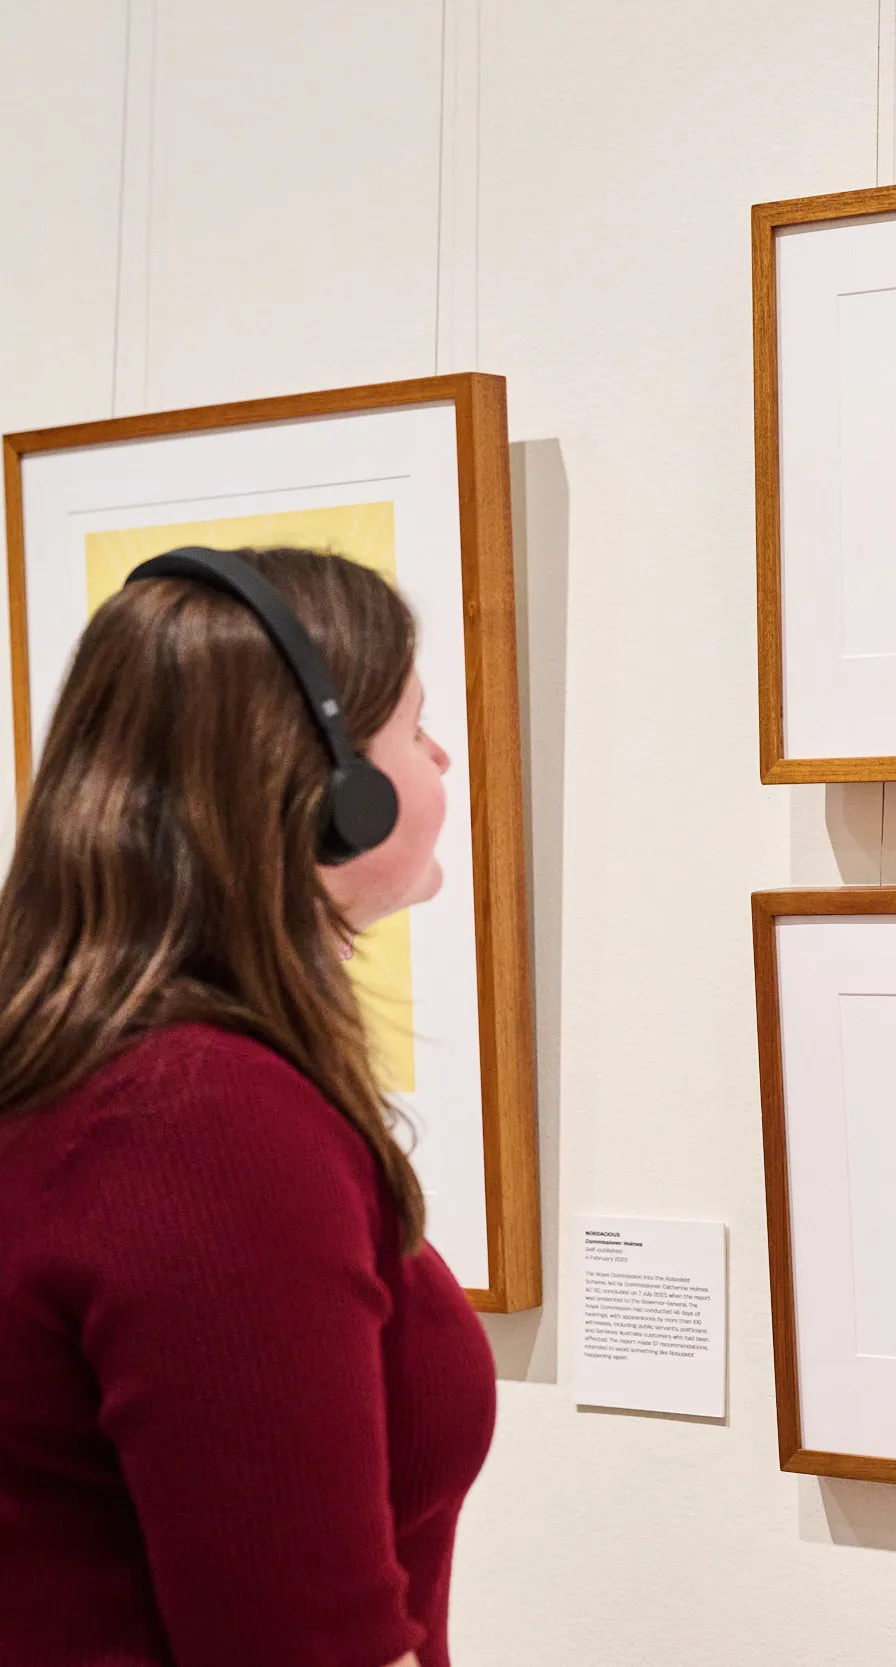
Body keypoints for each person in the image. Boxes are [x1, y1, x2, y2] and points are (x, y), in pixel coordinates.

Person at [0, 547, 495, 1667]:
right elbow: (301, 1642)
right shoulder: (202, 1120)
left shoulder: (93, 1065)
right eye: (411, 725)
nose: (440, 754)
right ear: (329, 792)